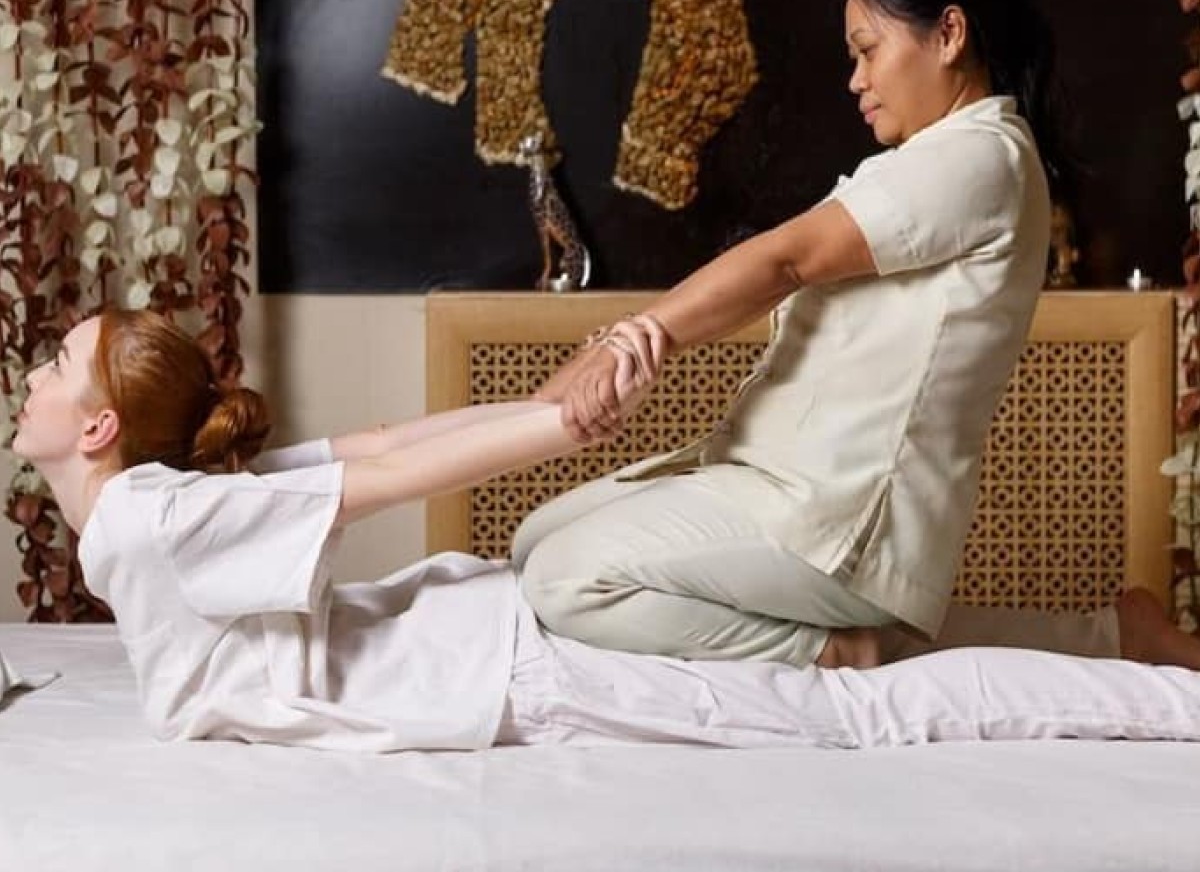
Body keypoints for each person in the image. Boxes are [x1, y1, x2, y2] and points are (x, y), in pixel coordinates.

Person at [13, 305, 1200, 754]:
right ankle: (1115, 639)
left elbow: (387, 468)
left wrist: (558, 421)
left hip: (518, 664)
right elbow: (379, 447)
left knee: (856, 712)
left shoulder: (150, 520)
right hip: (494, 625)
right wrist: (549, 413)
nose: (31, 372)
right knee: (850, 667)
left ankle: (1166, 701)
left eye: (56, 362)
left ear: (101, 427)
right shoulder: (166, 510)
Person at [510, 0, 1166, 671]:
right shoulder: (934, 160)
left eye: (868, 50)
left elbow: (786, 260)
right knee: (534, 541)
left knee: (564, 579)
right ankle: (1115, 638)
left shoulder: (981, 158)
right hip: (772, 482)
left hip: (837, 516)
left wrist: (627, 342)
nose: (855, 80)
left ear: (949, 34)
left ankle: (837, 652)